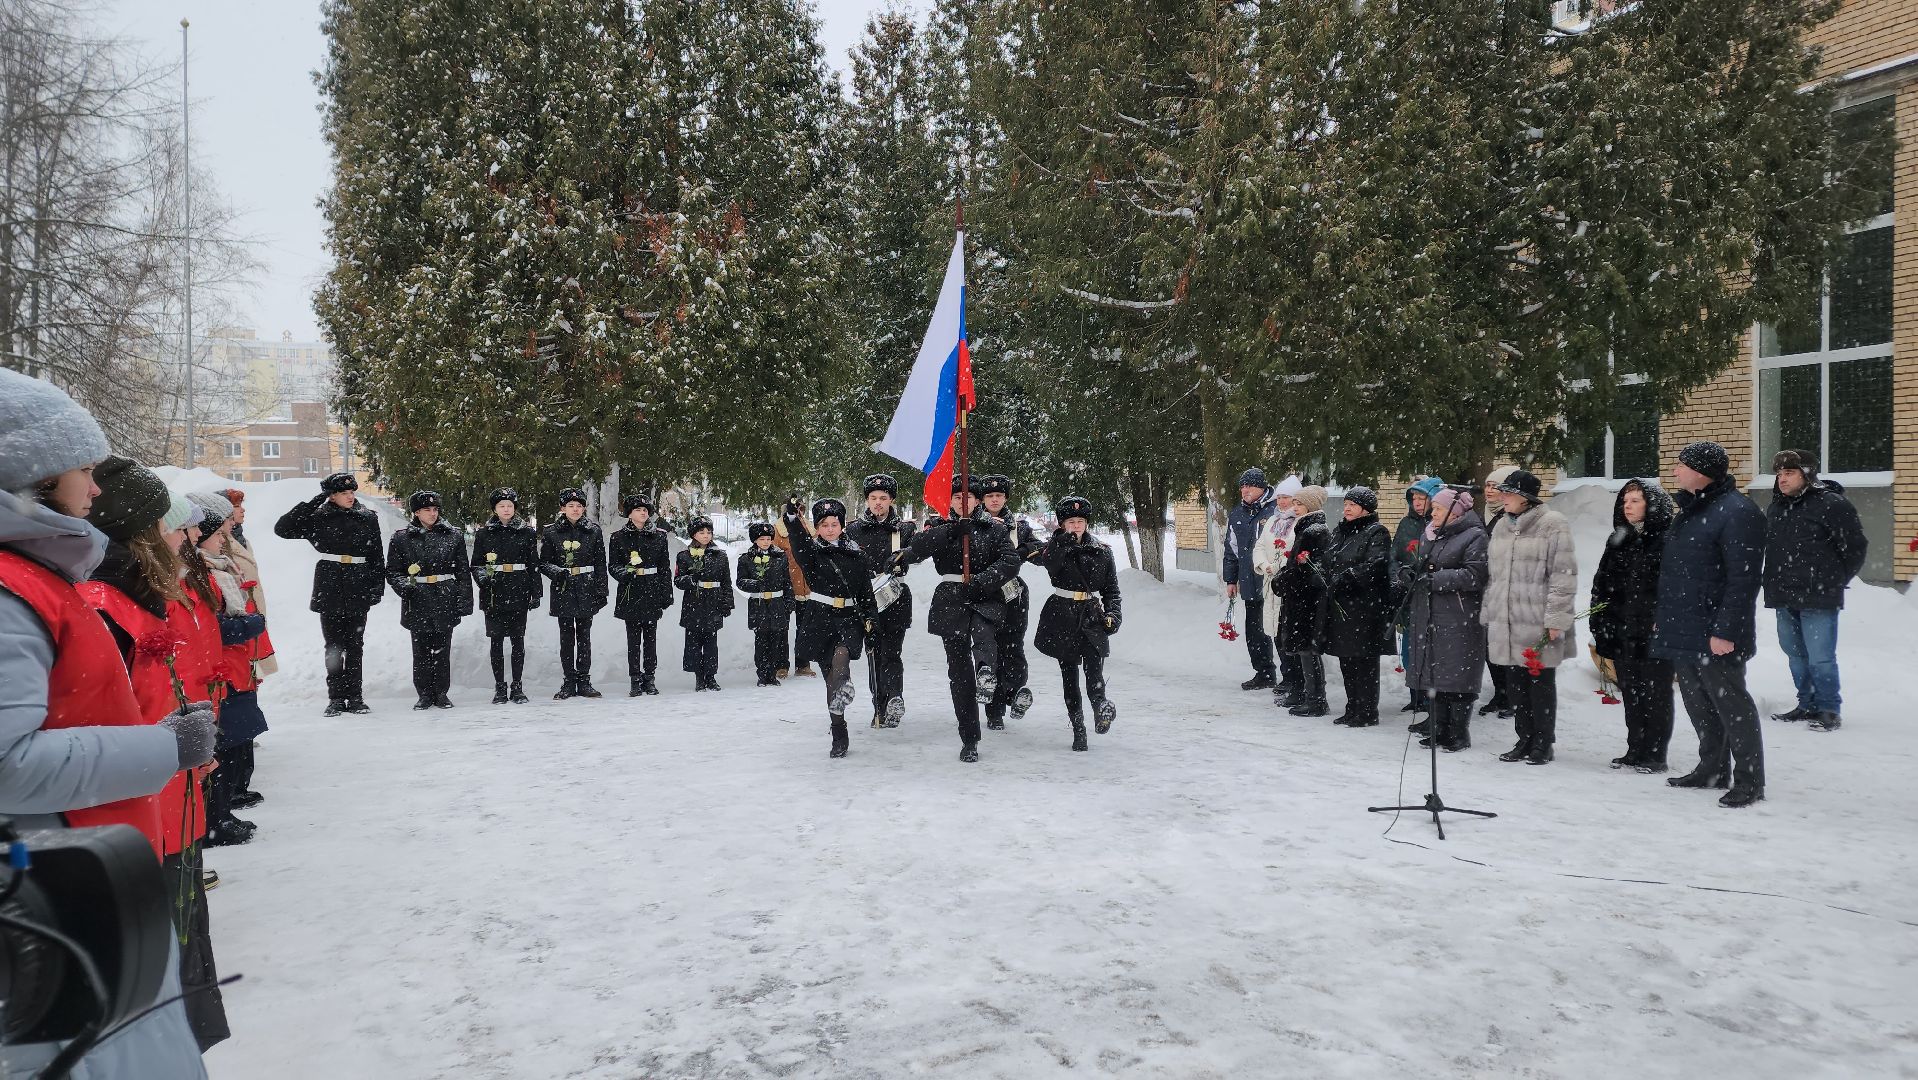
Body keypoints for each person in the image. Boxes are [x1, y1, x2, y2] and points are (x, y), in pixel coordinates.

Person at [0, 369, 212, 1078]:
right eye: (84, 471)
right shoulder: (10, 590)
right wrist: (163, 746)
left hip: (80, 872)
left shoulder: (34, 577)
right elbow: (7, 763)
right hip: (52, 890)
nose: (96, 492)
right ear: (33, 474)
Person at [78, 467, 235, 1049]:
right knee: (153, 968)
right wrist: (171, 746)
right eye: (169, 527)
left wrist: (195, 743)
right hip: (140, 818)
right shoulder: (103, 604)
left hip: (173, 805)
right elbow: (93, 722)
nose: (184, 538)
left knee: (180, 944)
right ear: (139, 532)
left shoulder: (140, 594)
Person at [1653, 441, 1768, 808]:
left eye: (1681, 465)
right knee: (1699, 703)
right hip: (1685, 627)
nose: (1675, 471)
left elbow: (1743, 580)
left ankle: (1750, 780)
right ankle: (1712, 768)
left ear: (1701, 470)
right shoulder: (1691, 509)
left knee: (1732, 706)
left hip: (1716, 632)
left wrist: (1725, 631)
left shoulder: (1737, 512)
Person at [899, 473, 1024, 762]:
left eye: (967, 496)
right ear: (950, 501)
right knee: (958, 672)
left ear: (977, 500)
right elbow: (916, 551)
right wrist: (953, 530)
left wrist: (982, 581)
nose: (962, 501)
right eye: (957, 497)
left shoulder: (994, 529)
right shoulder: (941, 528)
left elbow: (1010, 561)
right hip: (950, 599)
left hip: (984, 595)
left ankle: (986, 674)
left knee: (985, 636)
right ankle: (969, 736)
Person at [184, 491, 271, 845]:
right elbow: (209, 626)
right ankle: (215, 818)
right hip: (220, 671)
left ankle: (223, 812)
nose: (226, 539)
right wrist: (249, 625)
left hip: (233, 667)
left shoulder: (220, 567)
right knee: (222, 747)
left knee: (234, 742)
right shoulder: (202, 573)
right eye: (220, 533)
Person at [1762, 449, 1868, 732]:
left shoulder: (1832, 504)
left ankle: (1829, 709)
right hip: (1783, 594)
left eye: (1789, 473)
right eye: (1779, 474)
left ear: (1806, 474)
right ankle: (1806, 703)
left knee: (1820, 656)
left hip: (1819, 596)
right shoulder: (1777, 506)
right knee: (1795, 654)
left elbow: (1855, 547)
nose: (1782, 479)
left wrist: (1834, 579)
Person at [1483, 469, 1577, 765]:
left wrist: (1555, 619)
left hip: (1537, 619)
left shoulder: (1552, 524)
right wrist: (1490, 610)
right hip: (1507, 619)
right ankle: (1524, 738)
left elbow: (1563, 576)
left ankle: (1543, 743)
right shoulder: (1500, 526)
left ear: (1525, 498)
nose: (1502, 498)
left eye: (1507, 493)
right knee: (1516, 684)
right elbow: (1494, 576)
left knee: (1540, 683)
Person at [275, 471, 384, 715]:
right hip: (330, 582)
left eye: (352, 492)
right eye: (343, 493)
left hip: (358, 581)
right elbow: (282, 528)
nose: (350, 496)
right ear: (331, 496)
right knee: (333, 646)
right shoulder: (319, 517)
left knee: (355, 645)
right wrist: (316, 500)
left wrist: (377, 587)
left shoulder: (367, 517)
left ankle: (355, 697)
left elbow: (377, 554)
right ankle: (335, 697)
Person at [780, 497, 878, 757]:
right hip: (820, 619)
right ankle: (839, 729)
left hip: (848, 618)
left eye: (835, 524)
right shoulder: (812, 553)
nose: (830, 529)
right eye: (824, 525)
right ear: (818, 528)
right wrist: (792, 520)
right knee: (830, 681)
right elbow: (799, 544)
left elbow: (866, 594)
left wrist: (871, 621)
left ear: (842, 526)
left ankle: (844, 681)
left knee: (841, 657)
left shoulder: (857, 555)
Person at [1590, 479, 1676, 772]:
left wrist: (1661, 619)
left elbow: (1673, 588)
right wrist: (1599, 618)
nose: (1628, 506)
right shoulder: (1619, 538)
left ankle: (1655, 753)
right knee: (1631, 690)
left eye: (1636, 500)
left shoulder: (1668, 539)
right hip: (1621, 626)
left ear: (1652, 505)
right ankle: (1635, 747)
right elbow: (1601, 583)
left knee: (1656, 693)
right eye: (1625, 501)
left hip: (1653, 630)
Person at [1030, 495, 1123, 750]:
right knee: (1069, 674)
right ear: (1062, 524)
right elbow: (1049, 564)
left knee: (1095, 669)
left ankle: (1100, 706)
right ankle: (1078, 725)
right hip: (1063, 614)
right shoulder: (1055, 548)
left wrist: (1114, 615)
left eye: (1080, 521)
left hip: (1091, 615)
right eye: (1070, 522)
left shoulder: (1102, 551)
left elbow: (1111, 590)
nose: (1076, 526)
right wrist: (1062, 544)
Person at [1400, 487, 1489, 751]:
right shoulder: (1431, 534)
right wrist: (1410, 572)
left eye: (1438, 509)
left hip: (1459, 615)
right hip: (1429, 613)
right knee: (1434, 672)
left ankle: (1458, 732)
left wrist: (1434, 580)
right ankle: (1439, 728)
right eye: (1434, 508)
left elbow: (1475, 575)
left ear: (1455, 512)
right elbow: (1425, 564)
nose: (1433, 512)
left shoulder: (1474, 536)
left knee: (1457, 675)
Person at [213, 487, 274, 809]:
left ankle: (236, 783)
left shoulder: (237, 540)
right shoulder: (214, 551)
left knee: (244, 702)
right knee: (234, 711)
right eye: (236, 508)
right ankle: (230, 789)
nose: (241, 512)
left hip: (245, 631)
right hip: (234, 638)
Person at [386, 490, 474, 710]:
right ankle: (424, 694)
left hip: (445, 595)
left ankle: (441, 693)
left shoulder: (453, 535)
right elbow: (393, 571)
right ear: (416, 512)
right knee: (421, 650)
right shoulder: (402, 537)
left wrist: (465, 601)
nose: (433, 514)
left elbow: (463, 571)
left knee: (443, 649)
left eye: (435, 510)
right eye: (427, 510)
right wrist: (404, 587)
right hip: (418, 598)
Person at [844, 473, 916, 727]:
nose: (878, 503)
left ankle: (895, 697)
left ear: (892, 500)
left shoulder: (904, 529)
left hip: (895, 599)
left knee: (892, 653)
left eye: (883, 498)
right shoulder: (853, 530)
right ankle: (880, 706)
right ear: (866, 500)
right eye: (873, 498)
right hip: (866, 602)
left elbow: (916, 551)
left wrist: (903, 558)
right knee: (874, 653)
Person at [1322, 486, 1396, 727]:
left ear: (1366, 508)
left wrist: (1348, 576)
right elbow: (1329, 558)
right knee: (1347, 660)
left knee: (1364, 661)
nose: (1347, 508)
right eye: (1346, 504)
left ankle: (1367, 711)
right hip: (1341, 606)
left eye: (1352, 504)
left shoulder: (1377, 532)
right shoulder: (1340, 531)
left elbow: (1376, 565)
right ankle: (1352, 706)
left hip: (1365, 608)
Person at [979, 474, 1039, 730]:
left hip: (1014, 596)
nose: (994, 499)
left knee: (1013, 647)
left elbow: (1038, 547)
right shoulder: (973, 523)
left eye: (999, 496)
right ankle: (993, 710)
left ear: (1005, 498)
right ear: (982, 499)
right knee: (989, 648)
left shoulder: (1018, 526)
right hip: (984, 595)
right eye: (990, 496)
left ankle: (1013, 694)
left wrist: (1023, 552)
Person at [471, 488, 541, 704]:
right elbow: (476, 564)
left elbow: (533, 564)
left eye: (510, 505)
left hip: (519, 589)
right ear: (494, 509)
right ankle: (500, 687)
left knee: (518, 641)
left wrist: (535, 592)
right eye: (502, 505)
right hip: (494, 592)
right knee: (497, 642)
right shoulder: (484, 534)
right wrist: (484, 580)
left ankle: (517, 687)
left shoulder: (526, 532)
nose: (506, 509)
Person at [540, 487, 608, 699]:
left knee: (585, 636)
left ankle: (584, 680)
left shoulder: (593, 531)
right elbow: (544, 562)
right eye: (571, 506)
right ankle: (569, 681)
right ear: (562, 508)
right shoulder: (551, 532)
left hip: (587, 587)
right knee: (566, 637)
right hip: (564, 588)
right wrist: (557, 572)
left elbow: (600, 563)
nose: (575, 509)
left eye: (579, 506)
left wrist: (601, 590)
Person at [1271, 485, 1332, 716]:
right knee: (1300, 649)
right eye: (1294, 503)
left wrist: (1284, 580)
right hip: (1299, 599)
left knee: (1307, 650)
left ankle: (1316, 700)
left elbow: (1307, 569)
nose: (1294, 507)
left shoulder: (1315, 531)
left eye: (1299, 504)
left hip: (1307, 601)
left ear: (1311, 506)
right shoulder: (1306, 528)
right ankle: (1305, 693)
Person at [608, 492, 674, 696]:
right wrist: (623, 573)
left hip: (652, 589)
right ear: (629, 513)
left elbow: (665, 567)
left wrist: (666, 593)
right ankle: (635, 678)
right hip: (631, 591)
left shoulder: (659, 536)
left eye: (646, 510)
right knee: (633, 639)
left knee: (651, 639)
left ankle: (649, 677)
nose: (643, 512)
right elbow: (613, 565)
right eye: (638, 509)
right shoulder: (618, 537)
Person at [1221, 467, 1279, 689]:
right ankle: (1263, 673)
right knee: (1255, 631)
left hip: (1271, 581)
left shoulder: (1274, 510)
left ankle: (1291, 678)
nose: (1244, 490)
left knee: (1277, 630)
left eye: (1249, 486)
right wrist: (1231, 579)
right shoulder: (1237, 513)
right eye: (1242, 486)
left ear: (1261, 487)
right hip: (1248, 580)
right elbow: (1231, 549)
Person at [1392, 476, 1445, 714]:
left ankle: (1430, 697)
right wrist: (1400, 573)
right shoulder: (1406, 524)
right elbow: (1394, 556)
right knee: (1410, 648)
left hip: (1433, 595)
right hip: (1409, 594)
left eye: (1423, 498)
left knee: (1429, 649)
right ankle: (1415, 694)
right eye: (1414, 498)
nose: (1418, 503)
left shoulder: (1443, 525)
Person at [1251, 474, 1305, 705]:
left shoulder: (1300, 522)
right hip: (1271, 582)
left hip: (1287, 582)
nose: (1282, 503)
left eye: (1287, 498)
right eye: (1280, 498)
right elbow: (1260, 545)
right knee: (1274, 630)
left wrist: (1280, 565)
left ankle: (1296, 679)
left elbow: (1297, 551)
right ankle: (1286, 676)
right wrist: (1264, 565)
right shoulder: (1273, 522)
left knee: (1287, 631)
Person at [1476, 465, 1520, 721]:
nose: (1490, 491)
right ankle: (1500, 692)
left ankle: (1513, 695)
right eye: (1488, 485)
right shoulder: (1482, 514)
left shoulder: (1512, 517)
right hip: (1485, 589)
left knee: (1506, 645)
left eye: (1496, 486)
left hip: (1506, 590)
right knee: (1489, 646)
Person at [675, 516, 734, 690]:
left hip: (713, 602)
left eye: (709, 532)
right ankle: (698, 676)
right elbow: (678, 581)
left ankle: (711, 676)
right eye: (701, 532)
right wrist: (691, 579)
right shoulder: (684, 556)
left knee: (710, 643)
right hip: (693, 603)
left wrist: (727, 602)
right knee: (693, 643)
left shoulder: (720, 556)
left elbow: (726, 581)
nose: (706, 535)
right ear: (694, 535)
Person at [737, 522, 793, 686]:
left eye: (768, 538)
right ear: (755, 540)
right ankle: (762, 673)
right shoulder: (747, 559)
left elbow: (787, 582)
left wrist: (789, 602)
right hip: (758, 604)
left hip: (777, 603)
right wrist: (754, 584)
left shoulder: (780, 557)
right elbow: (740, 581)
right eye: (762, 539)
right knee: (761, 640)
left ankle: (773, 673)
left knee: (776, 640)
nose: (766, 542)